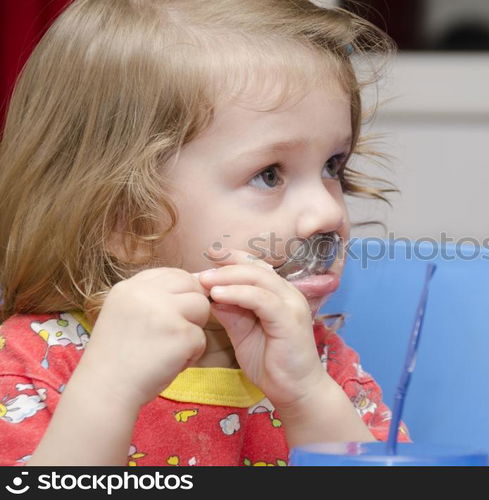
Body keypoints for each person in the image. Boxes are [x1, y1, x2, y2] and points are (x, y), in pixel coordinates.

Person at [0, 0, 409, 466]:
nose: (325, 212)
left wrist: (306, 397)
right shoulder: (32, 367)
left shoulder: (319, 364)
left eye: (333, 166)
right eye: (269, 174)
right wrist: (107, 393)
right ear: (125, 220)